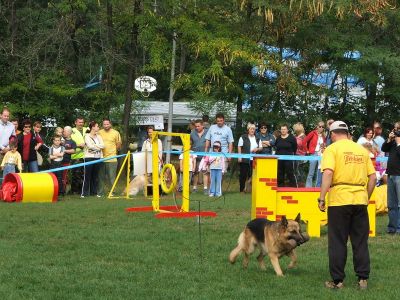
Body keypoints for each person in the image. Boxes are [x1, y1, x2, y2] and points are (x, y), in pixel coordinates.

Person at [318, 121, 376, 290]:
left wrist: (322, 198)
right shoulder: (361, 150)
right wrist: (366, 196)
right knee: (360, 241)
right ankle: (363, 279)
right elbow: (372, 178)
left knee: (337, 241)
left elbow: (328, 172)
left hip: (339, 201)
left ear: (332, 134)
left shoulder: (332, 149)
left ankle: (337, 281)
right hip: (360, 199)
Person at [381, 121, 400, 234]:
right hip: (391, 174)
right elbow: (384, 149)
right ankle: (392, 227)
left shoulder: (398, 143)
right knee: (391, 204)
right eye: (395, 129)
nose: (396, 131)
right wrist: (389, 139)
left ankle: (399, 228)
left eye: (398, 129)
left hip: (399, 175)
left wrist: (398, 143)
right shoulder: (393, 141)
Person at [205, 113, 234, 177]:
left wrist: (229, 155)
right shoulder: (212, 127)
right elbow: (208, 140)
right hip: (212, 154)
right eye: (218, 121)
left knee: (221, 173)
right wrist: (205, 152)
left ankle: (219, 187)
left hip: (223, 154)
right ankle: (212, 187)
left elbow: (230, 143)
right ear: (216, 120)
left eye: (221, 121)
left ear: (224, 120)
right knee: (210, 172)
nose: (219, 122)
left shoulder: (228, 129)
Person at [98, 119, 122, 196]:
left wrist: (114, 151)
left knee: (111, 177)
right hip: (101, 158)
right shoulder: (99, 132)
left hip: (112, 158)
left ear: (110, 124)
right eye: (104, 124)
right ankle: (100, 192)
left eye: (107, 124)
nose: (106, 126)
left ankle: (112, 192)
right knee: (101, 177)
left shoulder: (116, 133)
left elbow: (118, 144)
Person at [81, 121, 104, 198]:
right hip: (88, 158)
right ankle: (84, 193)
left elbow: (103, 146)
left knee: (95, 176)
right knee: (87, 176)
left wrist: (95, 146)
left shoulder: (99, 136)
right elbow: (90, 146)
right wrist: (98, 146)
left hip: (98, 158)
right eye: (97, 126)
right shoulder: (86, 136)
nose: (98, 127)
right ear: (93, 127)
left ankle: (94, 192)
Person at [237, 123, 262, 193]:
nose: (252, 130)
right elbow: (239, 146)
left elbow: (261, 147)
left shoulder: (257, 138)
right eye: (251, 129)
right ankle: (242, 190)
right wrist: (239, 157)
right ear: (248, 129)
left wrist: (257, 149)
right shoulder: (243, 137)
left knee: (253, 176)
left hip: (254, 160)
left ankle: (251, 190)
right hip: (245, 159)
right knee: (243, 175)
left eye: (254, 129)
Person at [304, 121, 326, 187]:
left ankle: (317, 187)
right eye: (320, 126)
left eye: (323, 127)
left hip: (321, 154)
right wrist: (307, 150)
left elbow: (324, 145)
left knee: (319, 172)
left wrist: (323, 146)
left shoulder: (323, 135)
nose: (321, 128)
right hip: (313, 154)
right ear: (317, 126)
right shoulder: (312, 133)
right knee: (311, 172)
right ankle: (308, 187)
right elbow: (304, 141)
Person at [190, 119, 208, 193]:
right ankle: (194, 188)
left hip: (205, 155)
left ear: (202, 125)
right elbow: (190, 143)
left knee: (205, 172)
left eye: (198, 126)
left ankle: (205, 188)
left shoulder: (208, 132)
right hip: (195, 156)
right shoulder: (192, 132)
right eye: (196, 126)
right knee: (195, 172)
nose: (197, 127)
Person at [71, 117, 88, 194]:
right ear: (75, 122)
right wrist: (78, 145)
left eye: (82, 122)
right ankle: (74, 190)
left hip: (86, 155)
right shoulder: (72, 131)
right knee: (75, 174)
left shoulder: (87, 129)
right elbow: (68, 142)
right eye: (79, 122)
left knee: (84, 175)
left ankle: (82, 190)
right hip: (75, 156)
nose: (81, 124)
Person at [0, 107, 16, 182]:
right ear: (1, 115)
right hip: (1, 150)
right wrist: (3, 148)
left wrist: (8, 148)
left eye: (7, 116)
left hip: (8, 152)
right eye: (5, 115)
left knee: (7, 173)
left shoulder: (11, 126)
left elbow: (13, 138)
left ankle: (4, 191)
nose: (6, 117)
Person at [62, 126, 77, 194]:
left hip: (66, 162)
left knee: (64, 177)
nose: (63, 132)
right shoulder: (60, 140)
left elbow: (73, 151)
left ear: (69, 132)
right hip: (58, 162)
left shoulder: (72, 142)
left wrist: (64, 151)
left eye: (64, 131)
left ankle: (63, 191)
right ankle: (58, 190)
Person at [293, 122, 307, 186]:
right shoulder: (297, 136)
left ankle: (302, 185)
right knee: (297, 170)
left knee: (300, 171)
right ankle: (298, 184)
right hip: (296, 155)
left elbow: (304, 147)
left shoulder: (303, 137)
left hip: (301, 156)